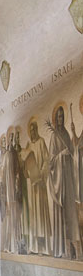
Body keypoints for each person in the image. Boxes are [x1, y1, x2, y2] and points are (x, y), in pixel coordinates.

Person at [48, 104, 81, 259]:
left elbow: (73, 152)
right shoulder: (54, 136)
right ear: (56, 119)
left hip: (68, 179)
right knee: (63, 215)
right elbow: (51, 161)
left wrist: (73, 133)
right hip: (60, 183)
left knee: (72, 213)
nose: (61, 119)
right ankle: (67, 248)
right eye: (59, 117)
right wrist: (61, 154)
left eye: (62, 116)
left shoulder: (66, 134)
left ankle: (76, 246)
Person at [21, 119, 51, 255]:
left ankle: (43, 247)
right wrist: (27, 172)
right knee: (33, 217)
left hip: (39, 185)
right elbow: (25, 164)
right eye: (30, 130)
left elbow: (46, 160)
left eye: (34, 130)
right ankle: (33, 246)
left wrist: (40, 175)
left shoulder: (41, 142)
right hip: (31, 186)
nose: (32, 132)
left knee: (40, 216)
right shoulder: (28, 145)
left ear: (37, 130)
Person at [0, 133, 8, 250]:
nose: (4, 143)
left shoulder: (8, 156)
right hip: (2, 189)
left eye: (5, 141)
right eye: (3, 141)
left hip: (7, 188)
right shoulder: (1, 156)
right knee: (3, 215)